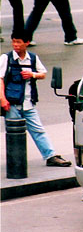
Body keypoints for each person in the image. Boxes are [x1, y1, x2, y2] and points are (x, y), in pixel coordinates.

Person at [0, 30, 72, 167]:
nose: (15, 45)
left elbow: (43, 73)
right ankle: (16, 163)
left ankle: (50, 156)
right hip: (13, 103)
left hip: (29, 103)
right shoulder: (6, 58)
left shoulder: (32, 58)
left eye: (18, 42)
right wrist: (3, 99)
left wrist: (32, 74)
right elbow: (0, 79)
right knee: (13, 134)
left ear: (26, 43)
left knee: (38, 130)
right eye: (13, 41)